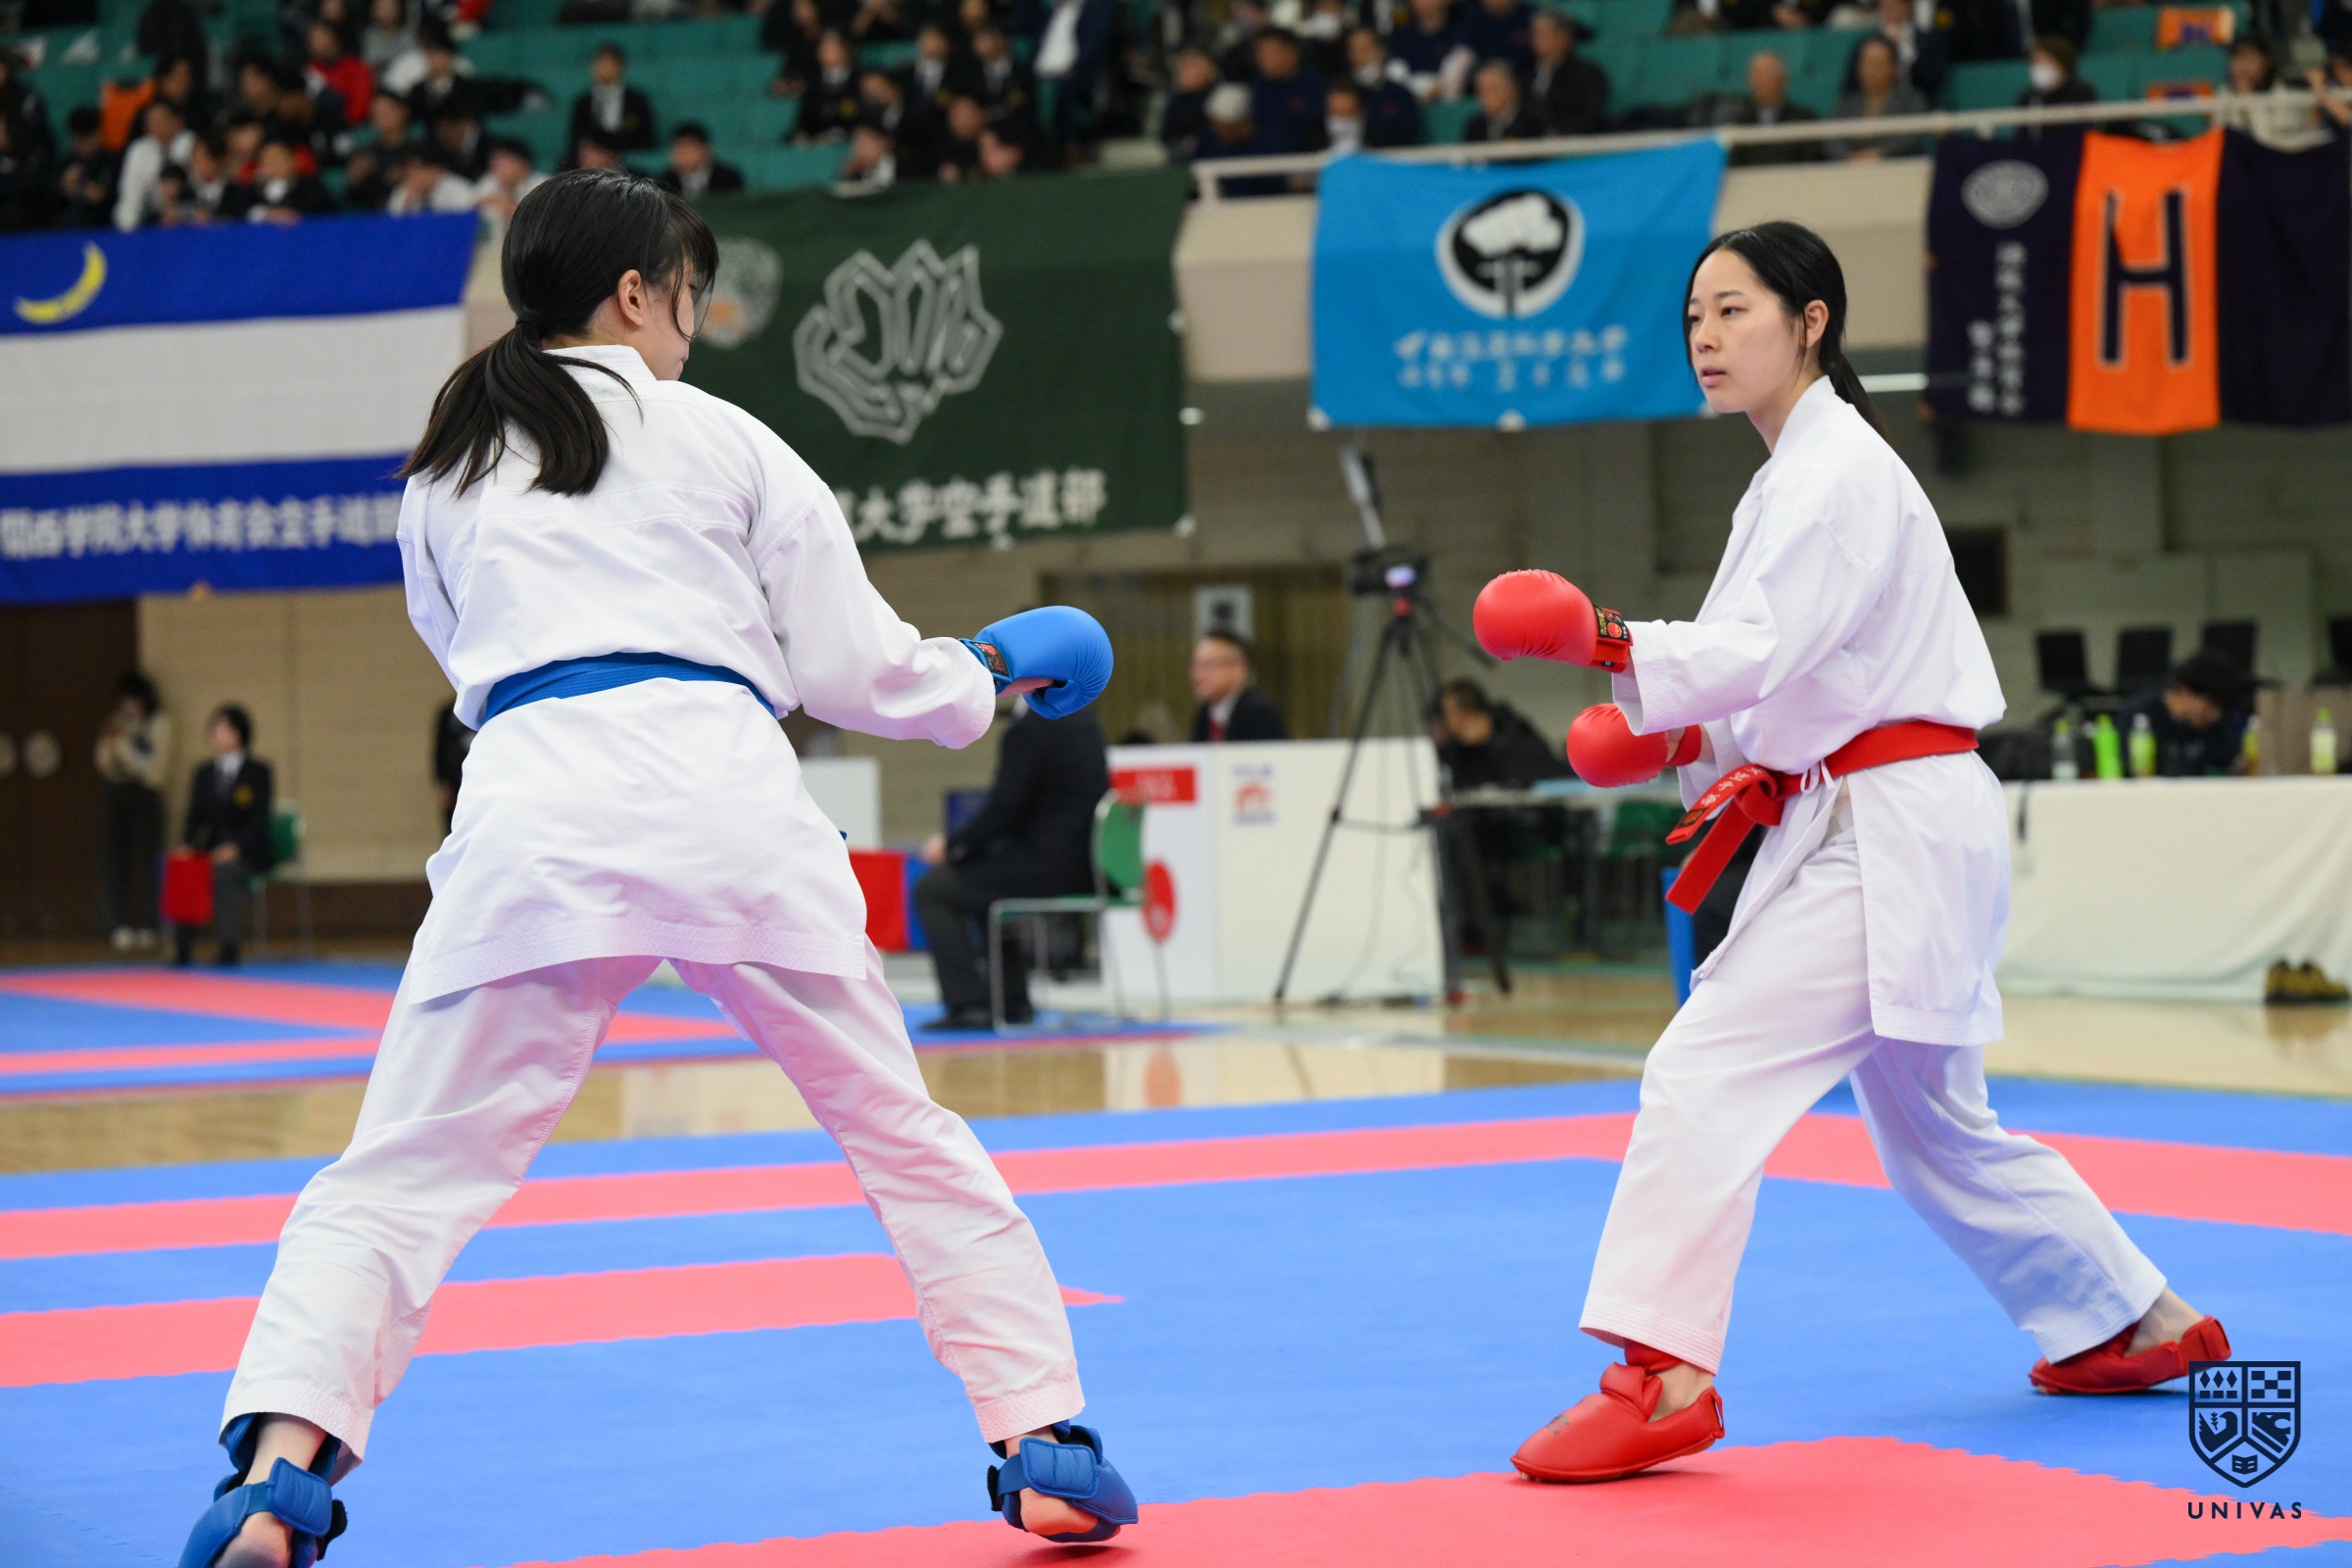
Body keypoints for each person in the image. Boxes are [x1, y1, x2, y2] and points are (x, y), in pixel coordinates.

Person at [176, 169, 1135, 1568]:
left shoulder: (445, 469)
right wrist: (987, 671)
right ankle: (1043, 1439)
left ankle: (276, 1476)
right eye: (688, 295)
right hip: (725, 801)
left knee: (395, 1176)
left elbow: (465, 656)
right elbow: (859, 671)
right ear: (637, 294)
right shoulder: (722, 437)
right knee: (904, 1137)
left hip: (534, 811)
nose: (692, 324)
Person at [1475, 220, 2228, 1486]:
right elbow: (1780, 682)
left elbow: (1761, 647)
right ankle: (2135, 1318)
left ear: (1811, 320)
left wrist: (1608, 639)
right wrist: (1676, 742)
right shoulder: (1791, 477)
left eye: (1734, 310)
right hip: (1883, 812)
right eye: (1695, 318)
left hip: (1888, 826)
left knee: (1704, 1069)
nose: (1707, 337)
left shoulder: (1837, 471)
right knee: (1938, 1133)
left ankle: (1665, 1376)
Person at [913, 697, 1111, 1029]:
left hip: (1046, 869)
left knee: (932, 890)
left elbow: (1005, 808)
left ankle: (969, 1005)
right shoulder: (1083, 717)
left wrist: (952, 845)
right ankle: (1012, 1000)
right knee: (981, 878)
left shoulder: (1033, 726)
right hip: (1085, 868)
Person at [176, 704, 274, 968]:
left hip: (248, 851)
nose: (216, 734)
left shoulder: (258, 772)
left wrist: (236, 848)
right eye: (214, 729)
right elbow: (194, 817)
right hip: (211, 848)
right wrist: (187, 845)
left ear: (238, 734)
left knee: (226, 871)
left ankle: (229, 946)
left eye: (222, 729)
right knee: (185, 868)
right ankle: (183, 947)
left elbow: (259, 819)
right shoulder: (204, 773)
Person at [96, 672, 172, 951]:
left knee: (148, 861)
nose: (128, 706)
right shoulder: (115, 722)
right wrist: (112, 744)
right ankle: (117, 925)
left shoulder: (159, 724)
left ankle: (150, 924)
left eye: (134, 700)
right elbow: (104, 762)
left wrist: (124, 744)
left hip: (147, 795)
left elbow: (153, 770)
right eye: (124, 700)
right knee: (113, 860)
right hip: (117, 793)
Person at [2119, 651, 2250, 777]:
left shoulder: (2214, 729)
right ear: (2184, 690)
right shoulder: (2139, 718)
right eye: (2210, 705)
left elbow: (2231, 763)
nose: (2215, 716)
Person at [1433, 679, 1568, 790]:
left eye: (1448, 714)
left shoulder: (1512, 732)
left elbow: (1531, 776)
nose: (1446, 722)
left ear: (1467, 713)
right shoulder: (1459, 750)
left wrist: (1488, 743)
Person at [1825, 34, 1932, 159]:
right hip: (1851, 167)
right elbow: (1831, 139)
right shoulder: (1846, 103)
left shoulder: (1912, 101)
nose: (1872, 70)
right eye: (1866, 63)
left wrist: (1880, 154)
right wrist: (1849, 157)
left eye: (1878, 63)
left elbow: (1912, 138)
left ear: (1894, 68)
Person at [1709, 49, 1822, 165]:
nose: (1760, 82)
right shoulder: (1739, 123)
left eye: (1766, 75)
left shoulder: (1803, 119)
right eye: (1756, 75)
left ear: (1782, 79)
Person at [1188, 628, 1288, 741]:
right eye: (1195, 665)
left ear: (1240, 668)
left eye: (1208, 664)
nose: (1198, 674)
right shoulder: (1204, 714)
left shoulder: (1258, 713)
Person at [1526, 11, 1608, 134]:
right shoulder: (1527, 75)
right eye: (1535, 33)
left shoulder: (1587, 75)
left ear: (1565, 37)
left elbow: (1587, 116)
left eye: (1545, 33)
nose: (1537, 39)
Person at [569, 42, 658, 155]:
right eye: (601, 63)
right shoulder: (582, 103)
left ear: (620, 67)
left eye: (610, 63)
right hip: (592, 158)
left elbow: (647, 139)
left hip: (627, 157)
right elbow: (575, 141)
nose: (606, 68)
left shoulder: (637, 100)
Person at [1464, 57, 1545, 140]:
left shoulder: (1532, 123)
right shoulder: (1476, 126)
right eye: (1481, 91)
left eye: (1491, 90)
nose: (1485, 97)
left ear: (1511, 89)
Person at [658, 121, 745, 196]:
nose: (684, 153)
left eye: (690, 147)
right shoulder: (665, 181)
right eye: (679, 148)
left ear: (705, 149)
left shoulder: (728, 179)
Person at [2017, 34, 2094, 110]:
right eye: (2036, 62)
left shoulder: (2082, 93)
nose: (2040, 67)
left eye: (2046, 62)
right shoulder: (2029, 98)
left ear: (2063, 64)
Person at [431, 700, 472, 835]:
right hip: (454, 782)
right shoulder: (448, 713)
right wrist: (441, 783)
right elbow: (439, 750)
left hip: (480, 781)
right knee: (454, 829)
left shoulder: (492, 709)